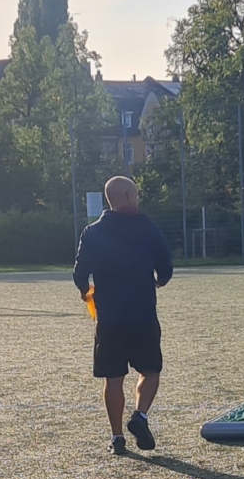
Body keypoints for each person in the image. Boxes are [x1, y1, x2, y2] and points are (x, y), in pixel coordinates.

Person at [71, 175, 173, 455]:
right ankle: (140, 415)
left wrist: (85, 291)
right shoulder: (148, 227)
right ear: (129, 197)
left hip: (110, 318)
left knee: (113, 378)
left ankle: (117, 438)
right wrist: (159, 281)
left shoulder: (92, 232)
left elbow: (80, 272)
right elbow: (165, 266)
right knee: (150, 371)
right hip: (142, 314)